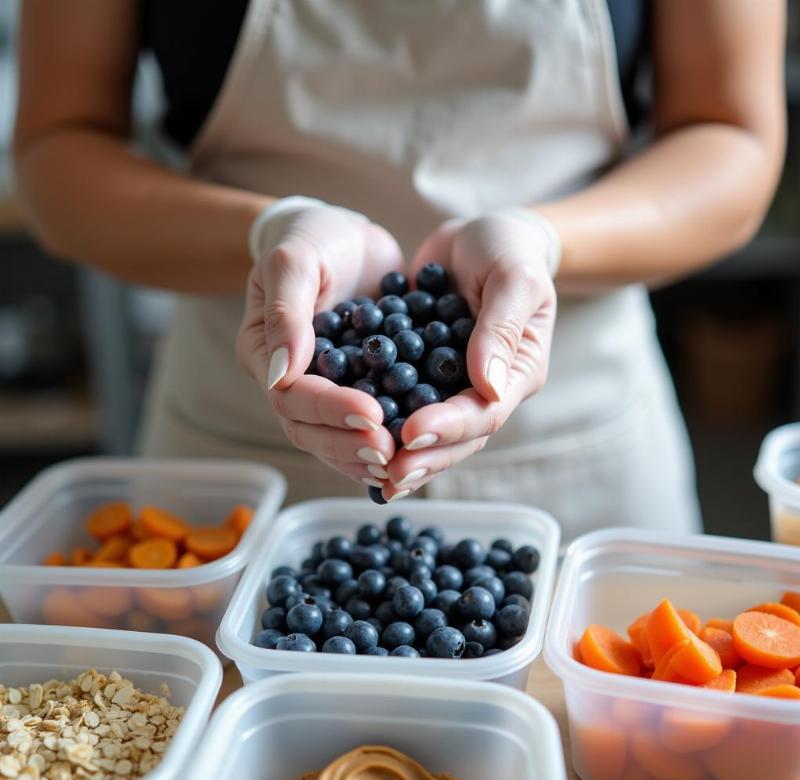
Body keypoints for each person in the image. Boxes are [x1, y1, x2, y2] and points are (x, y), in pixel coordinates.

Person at [13, 1, 785, 541]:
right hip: (249, 422)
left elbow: (732, 137)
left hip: (574, 429)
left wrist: (539, 242)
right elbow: (57, 150)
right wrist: (269, 233)